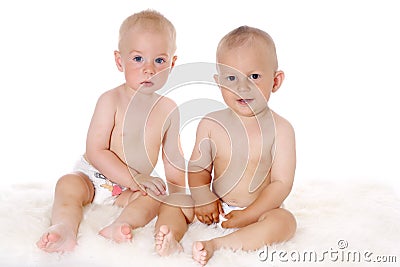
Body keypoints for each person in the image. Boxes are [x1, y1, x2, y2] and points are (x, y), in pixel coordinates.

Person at [36, 9, 185, 253]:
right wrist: (134, 178)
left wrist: (179, 197)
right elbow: (96, 151)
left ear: (172, 63)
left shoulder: (169, 110)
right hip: (93, 178)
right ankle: (64, 227)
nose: (149, 69)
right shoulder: (111, 100)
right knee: (68, 185)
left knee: (156, 197)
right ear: (119, 61)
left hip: (129, 190)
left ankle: (121, 224)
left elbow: (174, 162)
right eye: (138, 59)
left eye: (159, 60)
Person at [155, 25, 297, 265]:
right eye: (231, 78)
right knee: (175, 202)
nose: (242, 87)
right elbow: (199, 169)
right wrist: (202, 196)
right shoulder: (211, 124)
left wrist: (249, 214)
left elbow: (281, 184)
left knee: (285, 222)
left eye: (254, 76)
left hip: (259, 210)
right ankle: (170, 237)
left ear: (275, 80)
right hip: (214, 208)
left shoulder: (281, 130)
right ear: (218, 82)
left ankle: (217, 245)